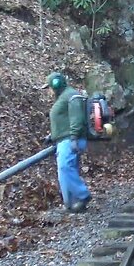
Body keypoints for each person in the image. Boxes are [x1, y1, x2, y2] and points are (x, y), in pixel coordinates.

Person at [46, 72, 92, 213]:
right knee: (63, 172)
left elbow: (76, 118)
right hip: (64, 140)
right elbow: (64, 120)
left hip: (70, 140)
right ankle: (71, 204)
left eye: (49, 87)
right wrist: (52, 135)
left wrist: (73, 138)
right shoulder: (64, 97)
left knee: (65, 168)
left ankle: (83, 195)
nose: (48, 91)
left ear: (56, 85)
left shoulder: (71, 95)